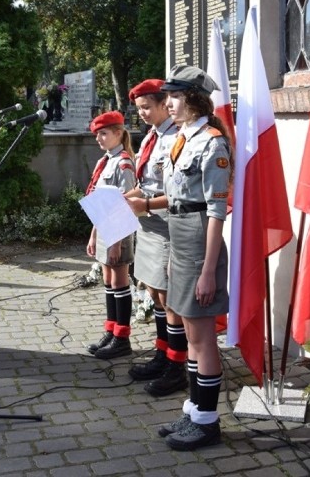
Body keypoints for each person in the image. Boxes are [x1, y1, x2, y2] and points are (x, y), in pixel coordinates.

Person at [150, 65, 232, 451]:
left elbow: (215, 211)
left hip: (201, 239)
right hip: (180, 235)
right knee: (187, 328)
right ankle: (195, 409)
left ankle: (208, 421)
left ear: (196, 100)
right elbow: (178, 195)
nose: (169, 102)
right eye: (169, 96)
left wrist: (207, 272)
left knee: (201, 338)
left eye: (176, 96)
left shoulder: (213, 142)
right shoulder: (182, 137)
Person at [123, 79, 189, 397]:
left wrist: (144, 202)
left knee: (170, 298)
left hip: (166, 225)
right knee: (155, 292)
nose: (143, 114)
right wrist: (125, 197)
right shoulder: (153, 135)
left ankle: (178, 366)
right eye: (139, 109)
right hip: (147, 224)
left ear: (166, 104)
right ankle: (162, 354)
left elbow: (175, 191)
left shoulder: (178, 137)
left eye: (147, 107)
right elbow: (147, 182)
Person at [85, 110, 137, 360]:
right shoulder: (104, 161)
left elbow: (123, 205)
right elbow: (99, 202)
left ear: (118, 133)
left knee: (119, 282)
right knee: (108, 281)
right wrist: (94, 235)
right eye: (97, 135)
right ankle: (111, 330)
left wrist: (116, 241)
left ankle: (122, 338)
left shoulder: (124, 163)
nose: (99, 138)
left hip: (119, 230)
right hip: (105, 228)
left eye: (103, 133)